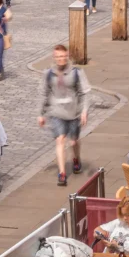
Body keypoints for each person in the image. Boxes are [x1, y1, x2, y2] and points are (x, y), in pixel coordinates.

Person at [38, 45, 91, 186]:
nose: (61, 59)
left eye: (64, 57)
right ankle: (62, 173)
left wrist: (84, 111)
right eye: (58, 57)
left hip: (73, 112)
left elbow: (85, 92)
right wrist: (41, 113)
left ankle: (76, 158)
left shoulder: (76, 72)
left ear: (67, 57)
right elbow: (44, 93)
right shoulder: (48, 73)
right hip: (56, 112)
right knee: (60, 140)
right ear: (54, 58)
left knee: (73, 141)